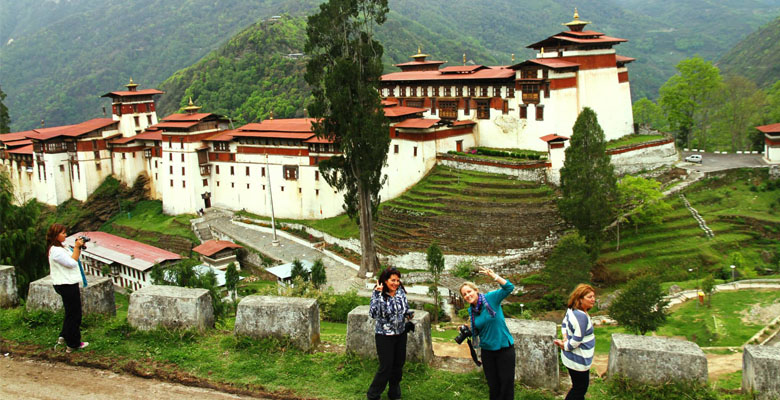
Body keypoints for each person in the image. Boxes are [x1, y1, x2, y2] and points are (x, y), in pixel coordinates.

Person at [459, 267, 515, 400]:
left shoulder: (490, 299)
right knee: (493, 386)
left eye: (469, 291)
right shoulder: (471, 311)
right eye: (464, 294)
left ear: (476, 290)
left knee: (506, 386)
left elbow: (509, 288)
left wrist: (494, 276)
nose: (468, 295)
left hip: (504, 349)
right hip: (487, 351)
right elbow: (478, 329)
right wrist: (466, 329)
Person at [366, 267, 413, 400]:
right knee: (385, 367)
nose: (396, 283)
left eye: (398, 280)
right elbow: (374, 314)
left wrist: (407, 314)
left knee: (398, 365)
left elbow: (404, 307)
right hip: (384, 335)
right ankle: (373, 394)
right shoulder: (378, 294)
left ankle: (394, 392)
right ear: (385, 281)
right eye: (393, 280)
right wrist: (379, 296)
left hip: (400, 333)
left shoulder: (400, 293)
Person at [46, 223, 89, 353]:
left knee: (70, 313)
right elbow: (71, 263)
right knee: (75, 315)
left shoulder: (62, 247)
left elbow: (73, 256)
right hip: (66, 285)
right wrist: (76, 247)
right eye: (63, 233)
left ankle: (63, 336)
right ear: (55, 235)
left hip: (67, 283)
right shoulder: (56, 251)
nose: (65, 235)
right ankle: (73, 344)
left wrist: (78, 247)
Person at [554, 284, 596, 400]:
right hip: (578, 359)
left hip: (571, 358)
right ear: (580, 299)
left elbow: (564, 323)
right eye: (589, 297)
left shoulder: (571, 309)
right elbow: (577, 340)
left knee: (578, 388)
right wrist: (565, 345)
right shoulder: (581, 317)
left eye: (593, 296)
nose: (593, 299)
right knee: (580, 388)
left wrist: (565, 337)